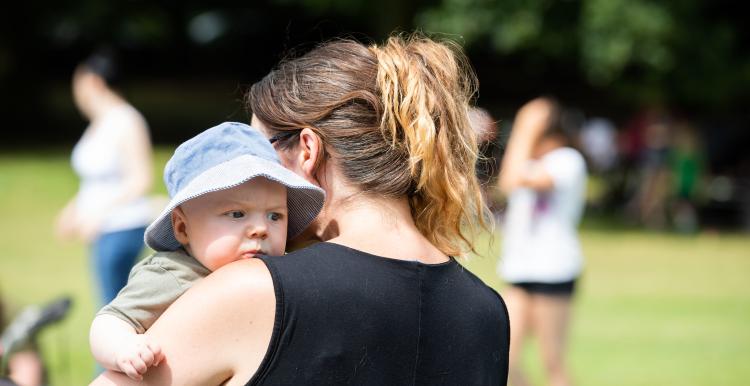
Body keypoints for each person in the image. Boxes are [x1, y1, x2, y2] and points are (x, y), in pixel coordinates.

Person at [92, 34, 510, 386]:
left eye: (261, 158)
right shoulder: (487, 311)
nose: (251, 180)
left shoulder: (254, 290)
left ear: (307, 150)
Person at [89, 122, 324, 380]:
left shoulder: (279, 273)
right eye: (237, 214)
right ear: (182, 228)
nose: (260, 228)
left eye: (275, 216)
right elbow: (109, 321)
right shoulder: (173, 274)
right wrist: (124, 347)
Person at [497, 97, 587, 386]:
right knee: (505, 360)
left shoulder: (567, 160)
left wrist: (524, 129)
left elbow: (511, 179)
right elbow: (507, 180)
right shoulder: (531, 161)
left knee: (552, 360)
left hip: (554, 269)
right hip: (520, 269)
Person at [55, 49, 154, 307]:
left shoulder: (127, 121)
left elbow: (140, 179)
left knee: (114, 306)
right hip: (101, 229)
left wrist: (100, 213)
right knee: (108, 302)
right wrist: (74, 208)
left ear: (93, 82)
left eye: (77, 84)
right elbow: (95, 180)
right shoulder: (99, 123)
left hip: (122, 226)